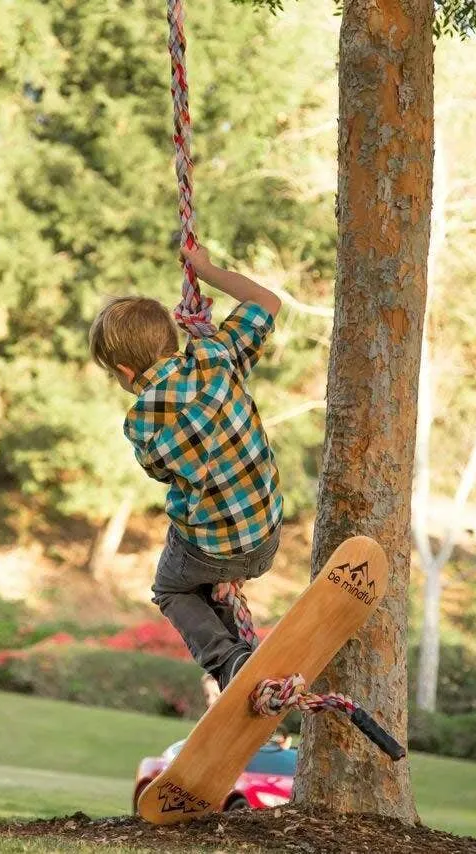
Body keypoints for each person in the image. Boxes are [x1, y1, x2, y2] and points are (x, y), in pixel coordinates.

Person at [89, 243, 283, 691]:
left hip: (212, 550)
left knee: (171, 588)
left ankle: (229, 660)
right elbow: (267, 303)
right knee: (196, 555)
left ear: (123, 371)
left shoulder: (139, 422)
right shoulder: (216, 355)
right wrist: (208, 271)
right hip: (267, 536)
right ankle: (240, 652)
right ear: (172, 338)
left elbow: (161, 472)